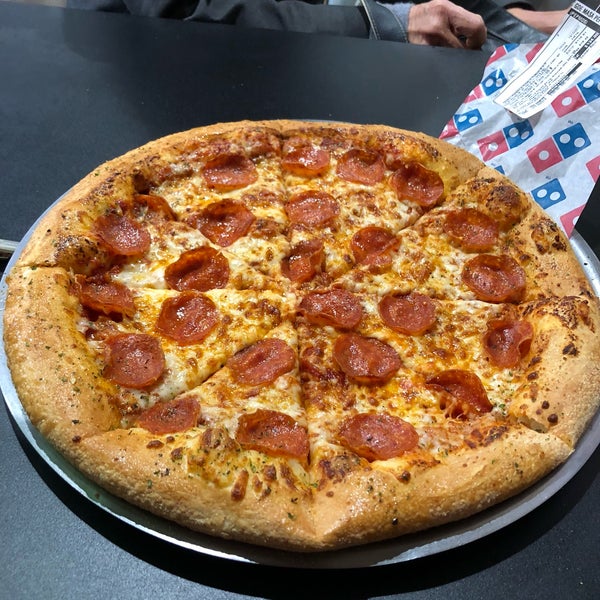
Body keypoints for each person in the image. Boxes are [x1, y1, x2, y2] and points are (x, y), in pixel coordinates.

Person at [66, 0, 568, 51]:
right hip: (157, 58)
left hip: (330, 56)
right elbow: (187, 10)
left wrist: (510, 19)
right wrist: (389, 23)